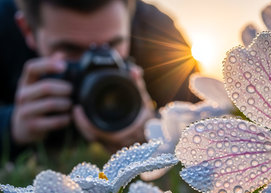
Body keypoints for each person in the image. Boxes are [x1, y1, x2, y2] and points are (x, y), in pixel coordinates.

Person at [0, 0, 199, 158]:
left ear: (130, 19)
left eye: (112, 45)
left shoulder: (158, 33)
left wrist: (152, 128)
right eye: (70, 49)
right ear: (27, 29)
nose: (94, 61)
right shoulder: (3, 25)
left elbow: (203, 118)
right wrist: (11, 125)